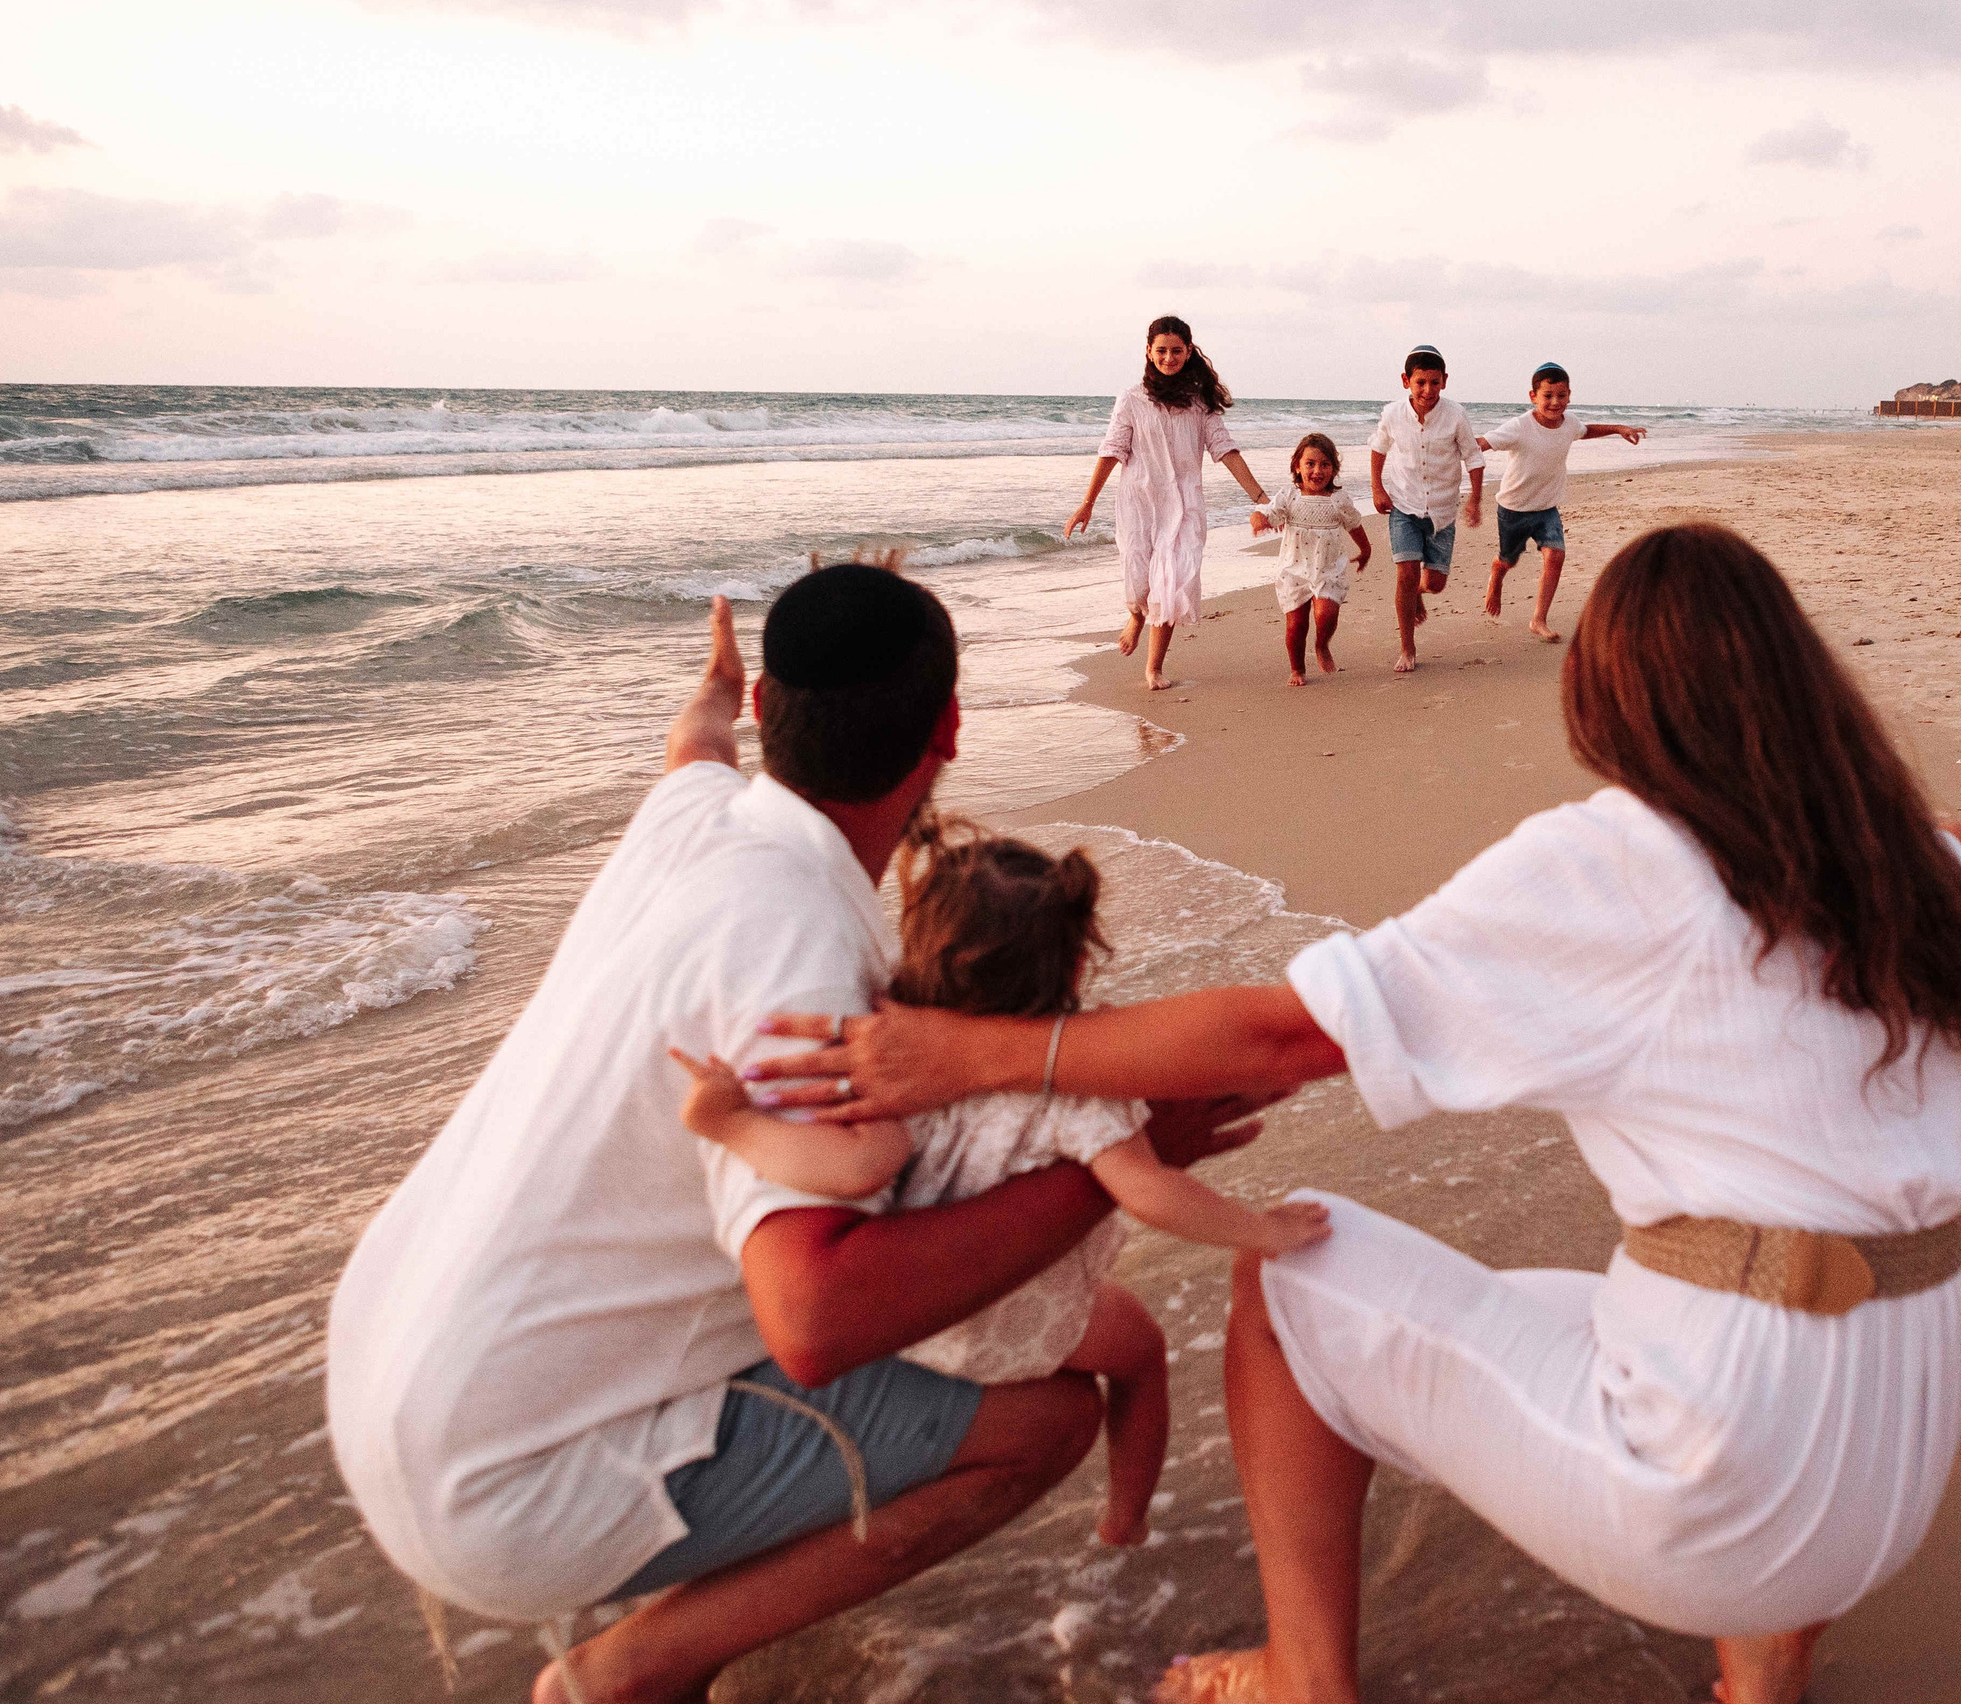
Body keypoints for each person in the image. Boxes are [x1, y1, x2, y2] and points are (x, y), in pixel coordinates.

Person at [747, 524, 1961, 1704]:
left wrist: (972, 1053)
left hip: (1736, 1492)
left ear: (1608, 694)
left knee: (1299, 1278)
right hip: (1892, 1462)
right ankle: (1766, 1669)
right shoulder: (1886, 861)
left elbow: (1291, 1029)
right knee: (1612, 1284)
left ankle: (1305, 1674)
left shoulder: (1620, 858)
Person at [324, 567, 1271, 1704]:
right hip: (510, 1488)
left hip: (389, 1377)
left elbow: (693, 739)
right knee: (1047, 1419)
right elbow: (815, 1318)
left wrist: (714, 689)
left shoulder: (700, 816)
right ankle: (635, 1672)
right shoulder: (803, 960)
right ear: (951, 731)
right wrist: (1123, 1159)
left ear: (773, 713)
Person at [671, 817, 1330, 1549]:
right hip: (1018, 1325)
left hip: (913, 1320)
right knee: (1140, 1354)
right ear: (1077, 966)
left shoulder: (890, 1051)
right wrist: (1263, 1231)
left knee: (869, 1155)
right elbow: (1149, 1191)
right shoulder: (1084, 1087)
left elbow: (857, 1165)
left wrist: (734, 1125)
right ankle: (1125, 1519)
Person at [1068, 316, 1271, 691]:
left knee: (1172, 585)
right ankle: (1135, 615)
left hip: (1185, 506)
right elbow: (1112, 450)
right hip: (1139, 503)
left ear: (1188, 352)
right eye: (1161, 350)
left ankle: (1154, 667)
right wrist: (1087, 502)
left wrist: (1262, 499)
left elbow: (1225, 450)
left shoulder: (1201, 403)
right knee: (1139, 583)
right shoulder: (1131, 399)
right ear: (1148, 352)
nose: (1168, 357)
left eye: (1177, 351)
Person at [1474, 362, 1648, 642]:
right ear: (1533, 396)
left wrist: (1618, 428)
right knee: (1509, 560)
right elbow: (1483, 443)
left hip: (1547, 509)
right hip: (1514, 509)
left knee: (1555, 556)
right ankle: (1497, 572)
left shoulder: (1569, 424)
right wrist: (1445, 449)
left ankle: (1538, 619)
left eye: (1561, 395)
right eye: (1547, 396)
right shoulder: (1519, 427)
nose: (1555, 402)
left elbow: (1585, 430)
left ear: (1569, 395)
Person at [1367, 346, 1484, 674]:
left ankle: (1418, 591)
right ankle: (1407, 647)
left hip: (1443, 511)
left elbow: (1473, 457)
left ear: (1444, 381)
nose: (1427, 390)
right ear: (1406, 381)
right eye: (1420, 382)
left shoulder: (1456, 415)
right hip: (1403, 505)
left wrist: (1475, 499)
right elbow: (1378, 448)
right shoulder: (1392, 414)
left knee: (1434, 583)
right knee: (1405, 573)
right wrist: (1377, 488)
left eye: (1435, 382)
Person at [1248, 433, 1371, 686]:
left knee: (1326, 613)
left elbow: (1354, 525)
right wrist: (1257, 520)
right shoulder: (1290, 496)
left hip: (1328, 568)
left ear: (1334, 469)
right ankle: (1297, 669)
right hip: (1294, 569)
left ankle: (1322, 644)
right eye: (1310, 464)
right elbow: (1268, 513)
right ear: (1297, 465)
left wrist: (1365, 550)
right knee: (1296, 623)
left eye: (1325, 464)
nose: (1317, 471)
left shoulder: (1338, 499)